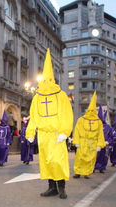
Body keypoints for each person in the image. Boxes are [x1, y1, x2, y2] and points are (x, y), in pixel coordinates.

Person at [26, 48, 73, 199]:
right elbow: (33, 116)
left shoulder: (61, 95)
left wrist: (64, 132)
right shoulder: (37, 97)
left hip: (56, 135)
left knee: (58, 161)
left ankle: (62, 188)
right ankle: (51, 187)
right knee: (46, 162)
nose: (45, 83)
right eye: (43, 80)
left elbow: (67, 115)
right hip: (43, 136)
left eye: (48, 80)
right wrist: (30, 133)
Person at [72, 92, 106, 179]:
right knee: (79, 158)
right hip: (82, 142)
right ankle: (77, 172)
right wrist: (76, 141)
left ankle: (87, 172)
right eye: (89, 110)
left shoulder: (99, 122)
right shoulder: (81, 120)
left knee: (90, 158)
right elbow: (77, 131)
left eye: (93, 111)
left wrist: (99, 145)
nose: (91, 112)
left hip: (92, 143)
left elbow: (100, 134)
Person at [94, 106, 113, 173]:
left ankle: (101, 167)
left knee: (103, 156)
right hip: (95, 144)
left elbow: (111, 136)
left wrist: (108, 142)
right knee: (95, 156)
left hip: (104, 144)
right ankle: (93, 167)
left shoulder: (108, 127)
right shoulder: (94, 125)